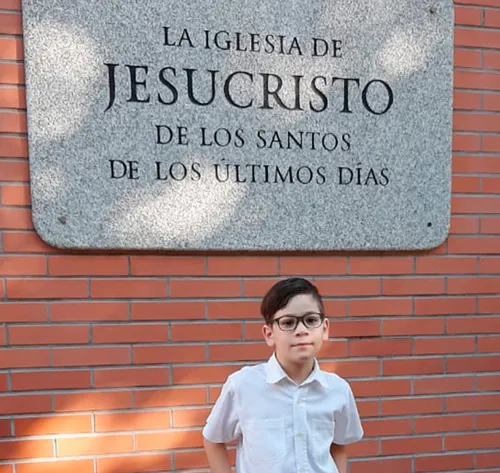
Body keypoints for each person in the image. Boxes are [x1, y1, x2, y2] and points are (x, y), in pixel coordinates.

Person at [202, 277, 364, 473]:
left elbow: (339, 445)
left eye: (311, 320)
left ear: (325, 328)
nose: (302, 330)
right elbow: (213, 439)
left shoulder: (338, 390)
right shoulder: (243, 386)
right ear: (269, 334)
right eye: (288, 323)